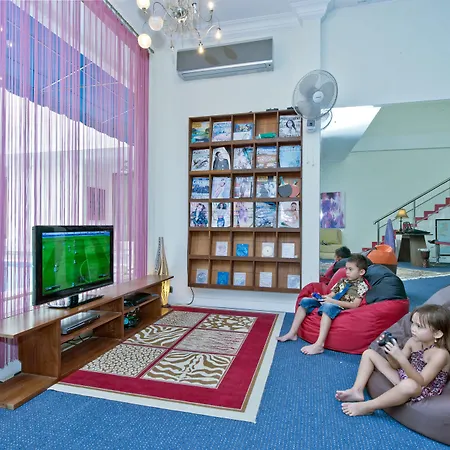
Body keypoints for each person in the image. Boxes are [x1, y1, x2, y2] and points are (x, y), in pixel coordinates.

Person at [336, 304, 450, 416]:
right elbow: (396, 366)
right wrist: (389, 352)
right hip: (405, 377)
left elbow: (422, 382)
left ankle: (368, 406)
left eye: (419, 326)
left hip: (421, 388)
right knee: (369, 353)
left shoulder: (440, 354)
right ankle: (357, 390)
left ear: (437, 333)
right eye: (413, 323)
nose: (413, 329)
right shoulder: (413, 341)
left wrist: (401, 357)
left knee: (409, 384)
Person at [277, 254, 369, 355]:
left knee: (328, 307)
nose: (347, 272)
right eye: (346, 268)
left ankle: (319, 345)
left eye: (350, 269)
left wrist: (332, 301)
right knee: (305, 301)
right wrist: (322, 298)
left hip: (342, 306)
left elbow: (355, 305)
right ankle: (292, 333)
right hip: (331, 301)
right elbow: (331, 294)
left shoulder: (362, 286)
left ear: (361, 272)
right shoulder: (343, 281)